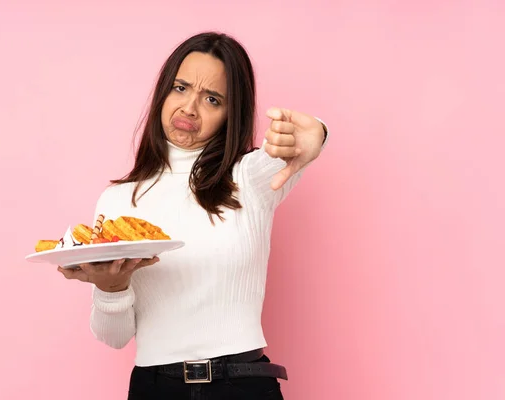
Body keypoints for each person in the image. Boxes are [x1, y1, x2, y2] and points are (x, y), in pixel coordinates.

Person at [57, 31, 328, 399]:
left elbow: (303, 139)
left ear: (231, 113)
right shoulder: (117, 201)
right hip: (154, 388)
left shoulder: (249, 177)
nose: (189, 108)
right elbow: (114, 337)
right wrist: (111, 288)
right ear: (163, 92)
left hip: (242, 385)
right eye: (181, 88)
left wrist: (317, 132)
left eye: (212, 99)